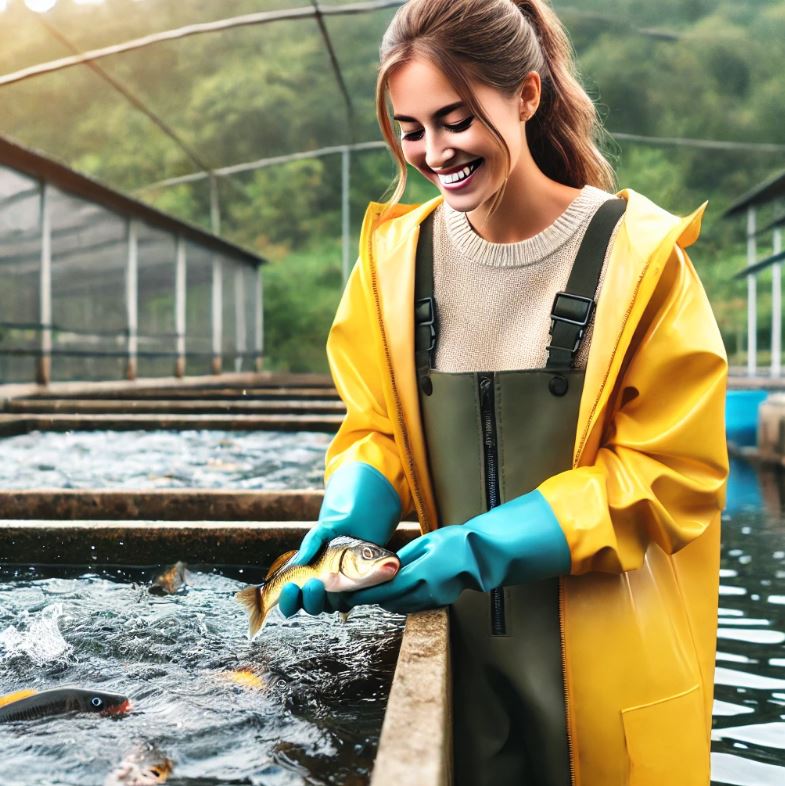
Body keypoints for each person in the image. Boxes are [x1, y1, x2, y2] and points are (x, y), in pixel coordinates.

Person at [278, 1, 728, 784]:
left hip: (614, 688)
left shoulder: (643, 260)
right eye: (410, 128)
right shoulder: (391, 263)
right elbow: (376, 426)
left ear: (524, 95)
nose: (433, 152)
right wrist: (353, 510)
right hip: (452, 682)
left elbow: (669, 473)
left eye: (454, 120)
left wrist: (478, 549)